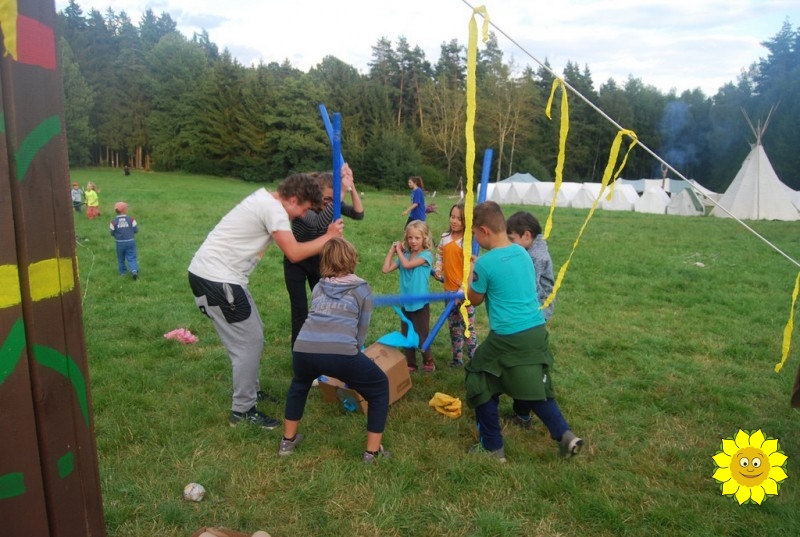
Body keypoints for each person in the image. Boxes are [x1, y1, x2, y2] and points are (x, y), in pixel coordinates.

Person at [188, 174, 344, 430]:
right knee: (248, 344)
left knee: (254, 335)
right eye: (303, 209)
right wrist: (329, 237)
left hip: (220, 278)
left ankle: (251, 392)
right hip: (218, 280)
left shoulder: (265, 200)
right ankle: (242, 411)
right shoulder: (274, 210)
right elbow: (294, 253)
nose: (301, 216)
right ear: (293, 199)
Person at [465, 201, 583, 462]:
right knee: (532, 384)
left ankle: (492, 447)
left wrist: (473, 272)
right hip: (536, 330)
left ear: (484, 230)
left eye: (473, 233)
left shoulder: (485, 263)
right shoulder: (522, 253)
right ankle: (565, 435)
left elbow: (474, 299)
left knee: (479, 378)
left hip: (508, 335)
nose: (474, 239)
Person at [279, 238, 391, 463]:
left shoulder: (319, 286)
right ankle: (372, 453)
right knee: (379, 387)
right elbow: (361, 329)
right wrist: (354, 357)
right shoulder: (362, 289)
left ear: (324, 261)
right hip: (340, 352)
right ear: (352, 258)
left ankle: (287, 442)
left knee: (299, 385)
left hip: (303, 348)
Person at [284, 163, 364, 345]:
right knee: (300, 310)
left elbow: (358, 214)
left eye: (332, 199)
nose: (330, 203)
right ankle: (299, 351)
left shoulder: (332, 203)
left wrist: (351, 186)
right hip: (296, 261)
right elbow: (318, 223)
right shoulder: (303, 207)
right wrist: (340, 193)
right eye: (327, 198)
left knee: (325, 305)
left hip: (321, 260)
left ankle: (323, 345)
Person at [382, 220, 435, 372]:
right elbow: (386, 269)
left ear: (424, 238)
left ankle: (428, 361)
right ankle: (411, 363)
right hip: (406, 303)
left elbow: (406, 265)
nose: (413, 241)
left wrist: (399, 251)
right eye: (410, 237)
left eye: (417, 238)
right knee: (406, 334)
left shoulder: (426, 256)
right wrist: (392, 251)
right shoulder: (404, 255)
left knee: (422, 335)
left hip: (420, 304)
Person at [433, 202, 477, 367]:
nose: (454, 221)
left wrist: (462, 291)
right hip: (448, 291)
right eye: (452, 217)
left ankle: (475, 360)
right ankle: (457, 359)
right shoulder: (445, 237)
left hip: (465, 293)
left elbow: (469, 269)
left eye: (459, 218)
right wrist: (438, 268)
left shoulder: (467, 242)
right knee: (453, 327)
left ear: (466, 222)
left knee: (468, 328)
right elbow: (440, 255)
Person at [506, 211, 555, 321]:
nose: (510, 244)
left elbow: (530, 287)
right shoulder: (529, 250)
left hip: (539, 308)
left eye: (512, 239)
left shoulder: (536, 257)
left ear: (527, 235)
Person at [109, 201, 139, 280]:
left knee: (121, 257)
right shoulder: (131, 219)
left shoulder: (113, 221)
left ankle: (122, 272)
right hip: (130, 241)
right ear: (124, 210)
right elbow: (136, 230)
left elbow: (112, 232)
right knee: (132, 256)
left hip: (120, 243)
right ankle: (134, 270)